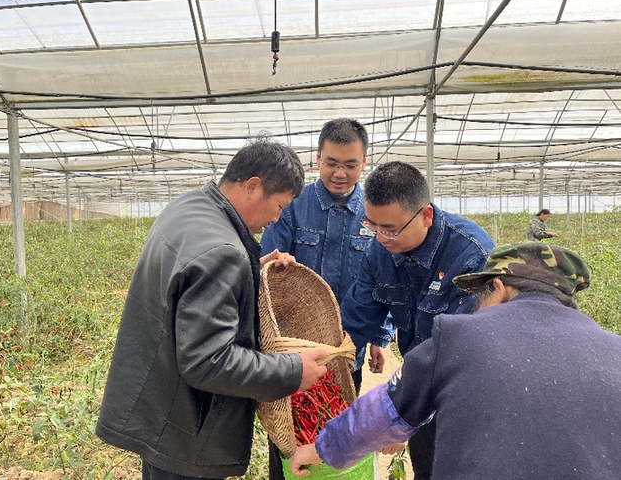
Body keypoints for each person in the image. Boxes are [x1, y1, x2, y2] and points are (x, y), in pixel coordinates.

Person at [95, 137, 330, 480]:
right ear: (253, 186)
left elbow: (191, 283)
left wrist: (250, 270)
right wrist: (291, 372)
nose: (277, 219)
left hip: (166, 411)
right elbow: (208, 361)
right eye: (279, 206)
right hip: (187, 430)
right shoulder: (223, 252)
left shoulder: (190, 208)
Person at [290, 242, 621, 480]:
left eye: (481, 297)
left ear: (500, 288)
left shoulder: (459, 335)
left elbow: (383, 414)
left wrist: (320, 450)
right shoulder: (614, 351)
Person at [339, 161, 495, 480]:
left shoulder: (471, 257)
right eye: (373, 226)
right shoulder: (379, 252)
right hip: (420, 382)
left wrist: (404, 416)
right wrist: (328, 363)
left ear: (425, 216)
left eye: (391, 229)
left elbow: (456, 355)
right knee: (427, 467)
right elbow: (357, 320)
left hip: (468, 397)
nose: (381, 237)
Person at [260, 118, 393, 478]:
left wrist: (381, 338)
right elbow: (267, 274)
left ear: (364, 163)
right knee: (289, 437)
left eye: (350, 165)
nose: (340, 173)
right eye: (332, 162)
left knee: (339, 431)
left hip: (345, 348)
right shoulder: (293, 204)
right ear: (317, 158)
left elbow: (388, 277)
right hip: (290, 350)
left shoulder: (374, 211)